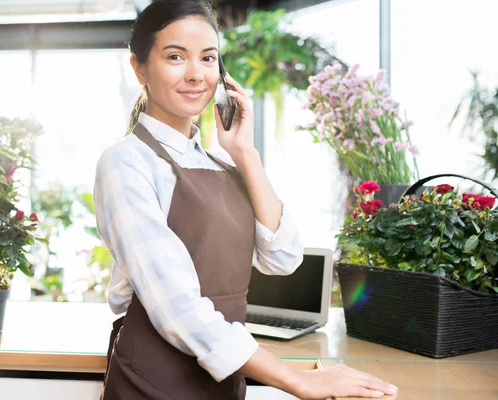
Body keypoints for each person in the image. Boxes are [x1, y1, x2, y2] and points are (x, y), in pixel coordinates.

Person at [93, 1, 398, 399]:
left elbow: (283, 258)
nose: (195, 74)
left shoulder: (223, 163)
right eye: (174, 57)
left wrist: (245, 154)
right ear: (139, 69)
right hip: (154, 378)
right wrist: (297, 379)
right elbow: (177, 307)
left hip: (224, 377)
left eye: (208, 58)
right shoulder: (125, 163)